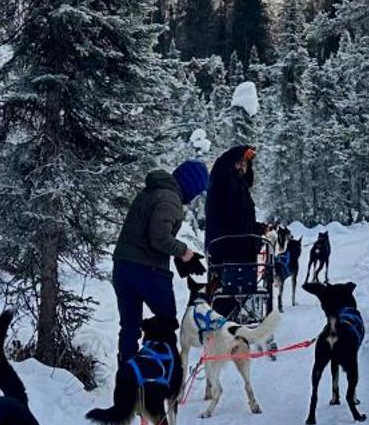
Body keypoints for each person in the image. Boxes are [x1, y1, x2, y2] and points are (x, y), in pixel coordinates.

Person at [110, 160, 207, 366]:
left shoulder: (152, 192)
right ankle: (165, 376)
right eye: (197, 191)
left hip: (122, 266)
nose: (195, 197)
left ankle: (128, 386)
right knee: (167, 320)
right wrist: (184, 251)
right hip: (148, 270)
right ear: (191, 186)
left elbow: (147, 234)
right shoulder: (170, 199)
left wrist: (178, 256)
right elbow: (159, 237)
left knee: (129, 327)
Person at [204, 144, 264, 313]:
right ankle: (227, 325)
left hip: (239, 248)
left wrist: (257, 229)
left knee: (240, 291)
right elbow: (232, 218)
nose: (242, 167)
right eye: (239, 163)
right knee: (228, 293)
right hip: (228, 249)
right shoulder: (225, 184)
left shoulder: (239, 186)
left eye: (245, 164)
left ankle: (237, 322)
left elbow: (242, 218)